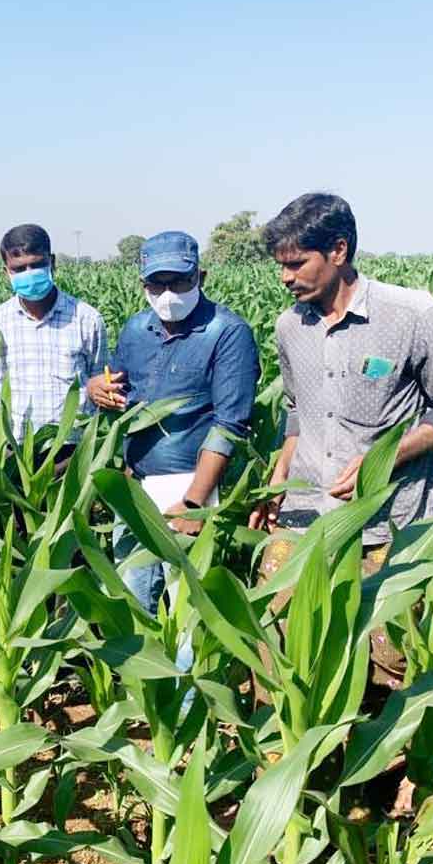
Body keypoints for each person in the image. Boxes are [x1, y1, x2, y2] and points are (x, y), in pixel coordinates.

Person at [248, 193, 433, 687]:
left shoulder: (411, 316)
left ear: (338, 250)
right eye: (280, 267)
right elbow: (296, 411)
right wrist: (276, 484)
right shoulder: (290, 326)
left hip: (387, 523)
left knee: (387, 659)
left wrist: (387, 457)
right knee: (277, 641)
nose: (285, 278)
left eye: (295, 264)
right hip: (304, 513)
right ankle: (289, 757)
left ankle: (381, 759)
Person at [88, 231, 260, 612]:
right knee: (133, 601)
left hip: (189, 486)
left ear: (202, 276)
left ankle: (185, 675)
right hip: (134, 489)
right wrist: (95, 388)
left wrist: (194, 501)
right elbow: (115, 389)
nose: (169, 294)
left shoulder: (227, 333)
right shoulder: (135, 330)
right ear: (142, 284)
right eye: (157, 284)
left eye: (180, 281)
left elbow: (230, 425)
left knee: (186, 610)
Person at [0, 224, 107, 451]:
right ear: (6, 272)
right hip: (15, 451)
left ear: (52, 262)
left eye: (37, 265)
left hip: (73, 451)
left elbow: (98, 382)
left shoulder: (87, 319)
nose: (29, 273)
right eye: (20, 269)